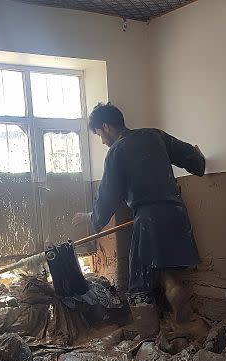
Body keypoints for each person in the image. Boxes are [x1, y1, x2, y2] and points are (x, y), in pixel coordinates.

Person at [73, 103, 205, 337]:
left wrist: (92, 217)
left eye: (100, 135)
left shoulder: (116, 152)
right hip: (176, 213)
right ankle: (182, 313)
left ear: (106, 127)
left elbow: (108, 196)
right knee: (167, 271)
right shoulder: (155, 135)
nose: (102, 141)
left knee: (139, 281)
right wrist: (198, 158)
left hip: (148, 219)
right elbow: (192, 157)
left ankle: (148, 337)